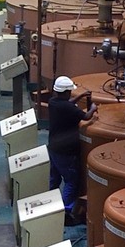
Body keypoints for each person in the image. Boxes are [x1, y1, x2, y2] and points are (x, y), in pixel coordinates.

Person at [44, 74, 92, 220]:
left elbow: (68, 103)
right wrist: (94, 109)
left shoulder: (53, 102)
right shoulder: (70, 109)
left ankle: (49, 206)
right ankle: (65, 212)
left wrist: (81, 96)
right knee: (71, 180)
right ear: (66, 92)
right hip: (66, 152)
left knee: (55, 179)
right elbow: (86, 117)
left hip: (53, 147)